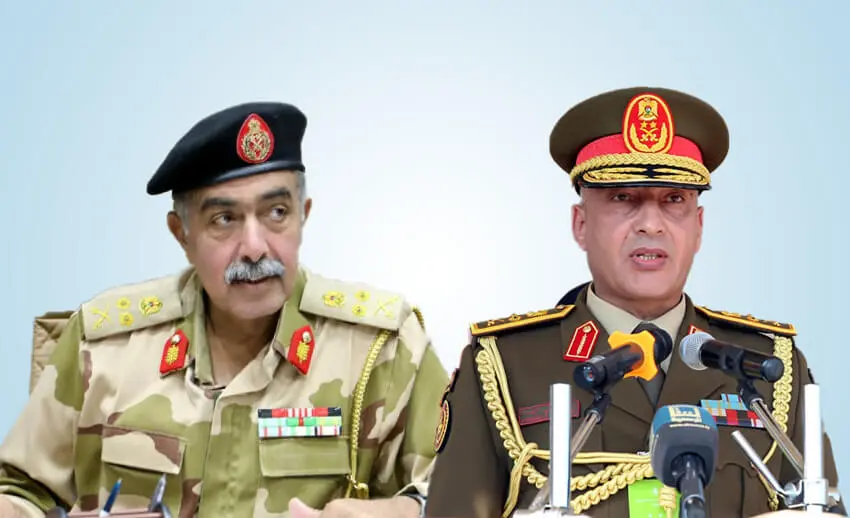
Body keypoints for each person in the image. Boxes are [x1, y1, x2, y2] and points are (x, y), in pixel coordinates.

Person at [0, 102, 449, 518]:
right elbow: (19, 489)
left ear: (304, 216)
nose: (254, 247)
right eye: (224, 219)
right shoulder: (104, 347)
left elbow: (457, 495)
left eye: (277, 212)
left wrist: (401, 512)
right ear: (182, 233)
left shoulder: (382, 348)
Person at [425, 87, 845, 517]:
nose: (650, 224)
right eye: (622, 198)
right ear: (581, 224)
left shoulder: (766, 366)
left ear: (698, 226)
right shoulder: (506, 365)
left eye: (674, 200)